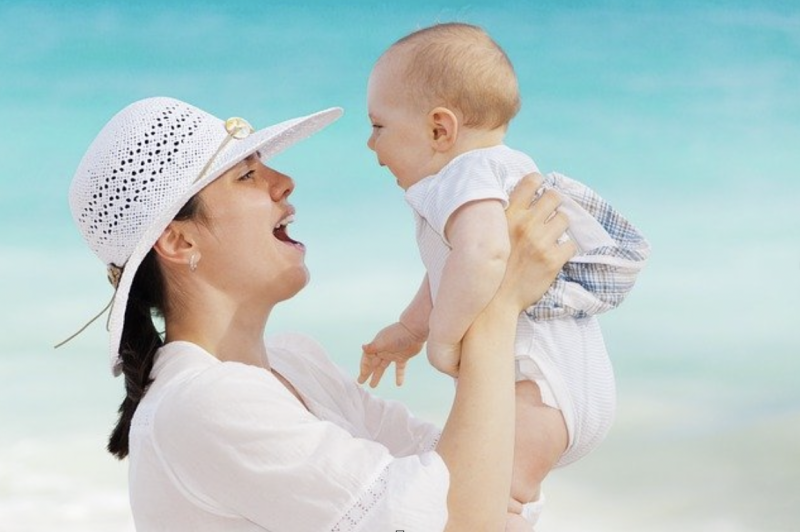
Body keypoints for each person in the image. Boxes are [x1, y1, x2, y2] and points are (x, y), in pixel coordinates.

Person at [62, 95, 575, 531]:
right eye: (247, 175)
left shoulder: (296, 363)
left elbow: (484, 481)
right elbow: (464, 518)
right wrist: (497, 299)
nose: (284, 181)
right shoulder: (200, 404)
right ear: (179, 239)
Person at [360, 22, 650, 528]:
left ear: (439, 130)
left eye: (379, 126)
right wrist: (411, 328)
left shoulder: (461, 175)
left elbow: (484, 254)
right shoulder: (506, 168)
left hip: (537, 386)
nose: (370, 143)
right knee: (497, 496)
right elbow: (451, 269)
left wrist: (443, 340)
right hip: (568, 387)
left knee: (483, 503)